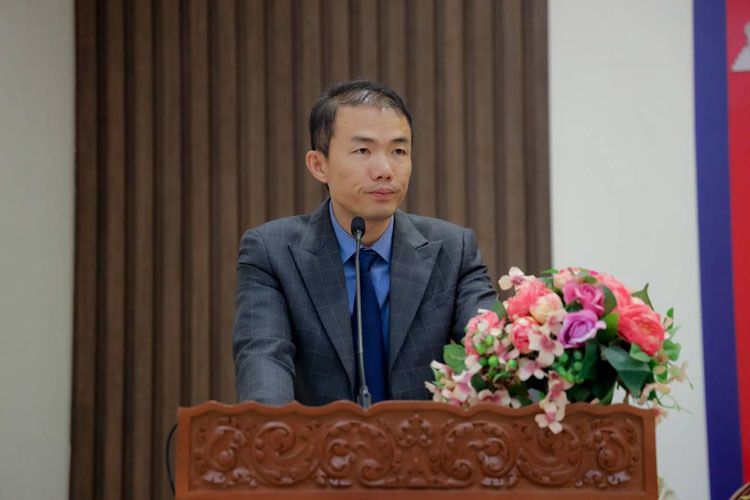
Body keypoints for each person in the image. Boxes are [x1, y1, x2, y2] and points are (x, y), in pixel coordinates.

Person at [232, 79, 497, 406]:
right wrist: (274, 429)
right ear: (319, 165)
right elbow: (263, 361)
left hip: (424, 437)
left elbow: (493, 353)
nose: (385, 170)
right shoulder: (271, 253)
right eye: (363, 151)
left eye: (398, 151)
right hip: (316, 439)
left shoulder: (453, 250)